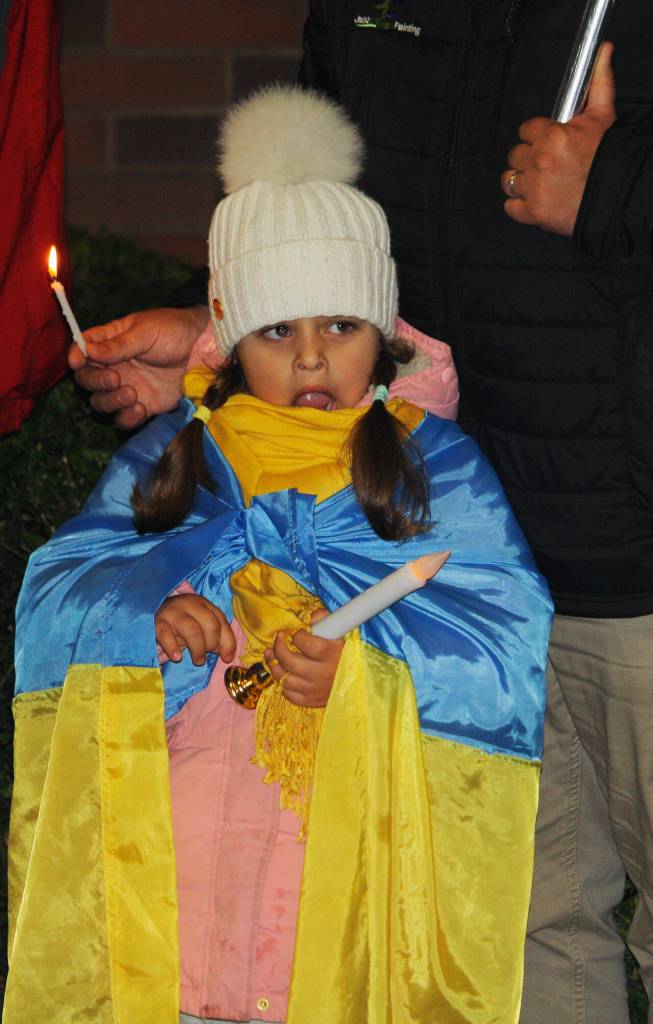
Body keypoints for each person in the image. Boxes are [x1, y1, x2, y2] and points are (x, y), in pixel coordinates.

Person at [69, 6, 653, 1022]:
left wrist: (618, 185)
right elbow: (339, 232)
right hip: (428, 541)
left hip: (629, 551)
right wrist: (222, 340)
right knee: (512, 925)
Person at [6, 87, 552, 1024]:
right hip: (187, 828)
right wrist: (152, 611)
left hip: (337, 838)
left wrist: (364, 668)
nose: (309, 361)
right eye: (276, 331)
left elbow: (501, 630)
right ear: (228, 334)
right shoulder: (179, 449)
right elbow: (63, 582)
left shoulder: (433, 464)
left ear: (382, 329)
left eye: (338, 326)